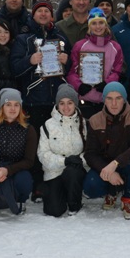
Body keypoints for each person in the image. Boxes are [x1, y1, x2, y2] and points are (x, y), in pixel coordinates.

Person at [83, 82, 130, 219]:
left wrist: (116, 164)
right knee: (91, 186)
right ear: (104, 100)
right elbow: (90, 153)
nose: (114, 103)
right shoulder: (95, 120)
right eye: (109, 98)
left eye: (118, 98)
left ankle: (128, 198)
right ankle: (111, 192)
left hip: (127, 163)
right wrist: (107, 170)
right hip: (105, 165)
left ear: (124, 99)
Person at [9, 0, 71, 131]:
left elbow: (73, 67)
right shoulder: (23, 39)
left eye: (47, 11)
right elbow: (14, 68)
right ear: (34, 15)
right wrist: (29, 61)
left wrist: (68, 61)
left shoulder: (60, 38)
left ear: (51, 15)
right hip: (34, 101)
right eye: (40, 11)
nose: (43, 14)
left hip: (58, 101)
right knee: (35, 141)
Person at [37, 84, 88, 217]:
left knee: (72, 173)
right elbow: (43, 154)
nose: (66, 107)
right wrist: (64, 161)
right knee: (54, 211)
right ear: (57, 105)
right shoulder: (47, 125)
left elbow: (91, 150)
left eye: (70, 103)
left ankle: (74, 203)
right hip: (54, 172)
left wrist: (80, 159)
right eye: (62, 103)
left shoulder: (83, 123)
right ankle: (60, 193)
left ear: (75, 104)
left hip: (75, 170)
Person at [0, 88, 37, 215]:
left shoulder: (28, 129)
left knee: (25, 179)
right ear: (2, 107)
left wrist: (8, 170)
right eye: (8, 104)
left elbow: (29, 161)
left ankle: (20, 200)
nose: (12, 109)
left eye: (16, 105)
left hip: (16, 169)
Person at [66, 8, 124, 118]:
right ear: (89, 26)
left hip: (105, 100)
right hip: (84, 100)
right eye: (94, 23)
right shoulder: (80, 46)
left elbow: (117, 71)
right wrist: (79, 86)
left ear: (106, 24)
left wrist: (107, 84)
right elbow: (72, 71)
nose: (98, 27)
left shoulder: (115, 47)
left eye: (101, 23)